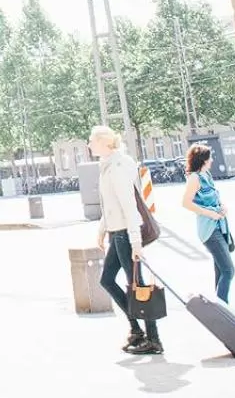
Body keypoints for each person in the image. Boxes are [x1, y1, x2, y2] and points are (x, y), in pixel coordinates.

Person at [91, 125, 162, 356]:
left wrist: (136, 243)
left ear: (104, 143)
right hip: (116, 232)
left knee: (138, 286)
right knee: (108, 280)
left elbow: (129, 206)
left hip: (124, 234)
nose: (89, 145)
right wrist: (103, 229)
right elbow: (111, 205)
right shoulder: (109, 166)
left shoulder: (118, 167)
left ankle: (152, 338)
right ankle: (136, 329)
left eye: (92, 140)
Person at [183, 143, 235, 303]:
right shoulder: (194, 178)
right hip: (209, 229)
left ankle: (218, 311)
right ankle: (223, 313)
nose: (212, 160)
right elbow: (186, 203)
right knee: (228, 270)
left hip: (220, 226)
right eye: (209, 158)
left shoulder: (207, 176)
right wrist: (210, 214)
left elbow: (216, 199)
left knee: (220, 270)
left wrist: (223, 207)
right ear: (203, 160)